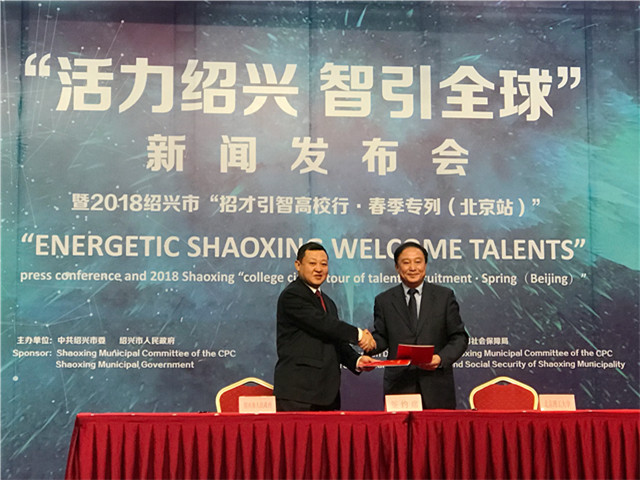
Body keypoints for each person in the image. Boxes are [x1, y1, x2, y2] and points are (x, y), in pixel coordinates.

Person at [274, 241, 377, 411]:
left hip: (326, 394)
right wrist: (359, 335)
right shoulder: (292, 295)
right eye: (312, 263)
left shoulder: (328, 302)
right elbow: (324, 324)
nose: (318, 269)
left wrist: (356, 360)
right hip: (299, 394)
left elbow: (334, 339)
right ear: (298, 265)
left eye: (323, 264)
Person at [368, 241, 469, 409]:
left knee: (437, 427)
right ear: (397, 267)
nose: (413, 268)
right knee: (399, 428)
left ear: (425, 265)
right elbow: (382, 337)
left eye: (418, 261)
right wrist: (369, 343)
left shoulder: (444, 297)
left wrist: (440, 359)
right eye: (406, 262)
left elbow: (459, 337)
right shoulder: (384, 300)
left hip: (436, 384)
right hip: (399, 385)